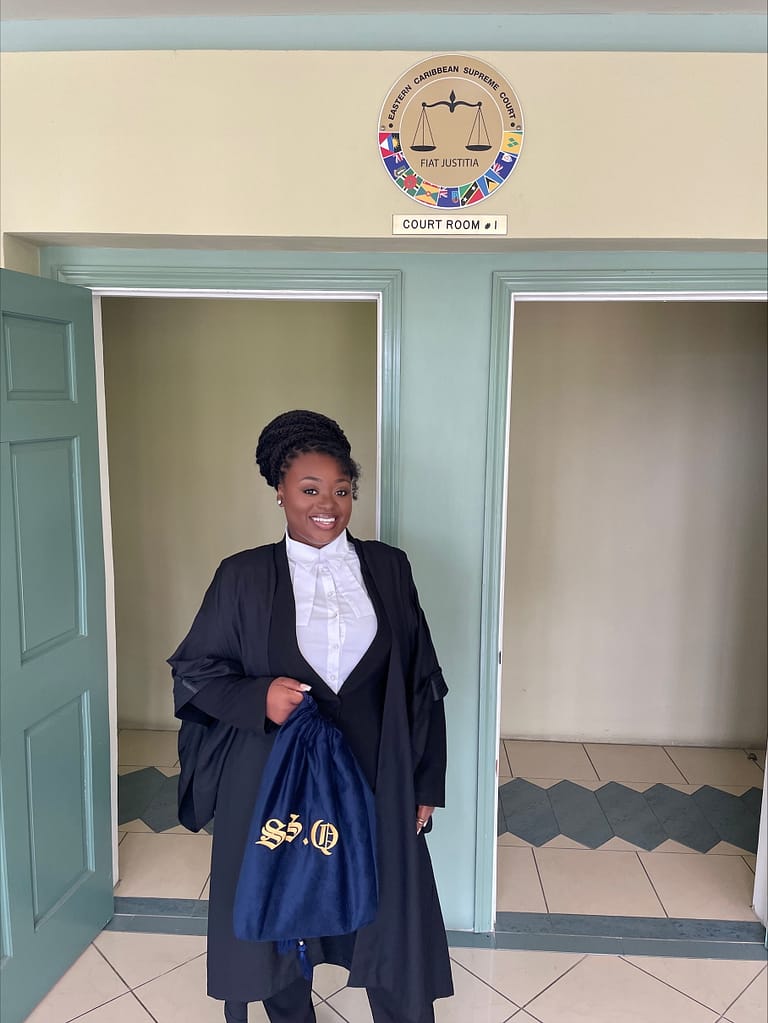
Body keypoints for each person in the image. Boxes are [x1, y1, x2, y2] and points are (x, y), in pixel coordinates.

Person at [169, 410, 453, 1023]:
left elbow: (421, 682)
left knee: (388, 911)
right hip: (277, 782)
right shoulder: (243, 576)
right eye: (310, 489)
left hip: (376, 774)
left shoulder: (389, 568)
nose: (328, 505)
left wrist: (426, 782)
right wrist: (258, 698)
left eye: (342, 491)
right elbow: (195, 670)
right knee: (282, 907)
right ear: (280, 491)